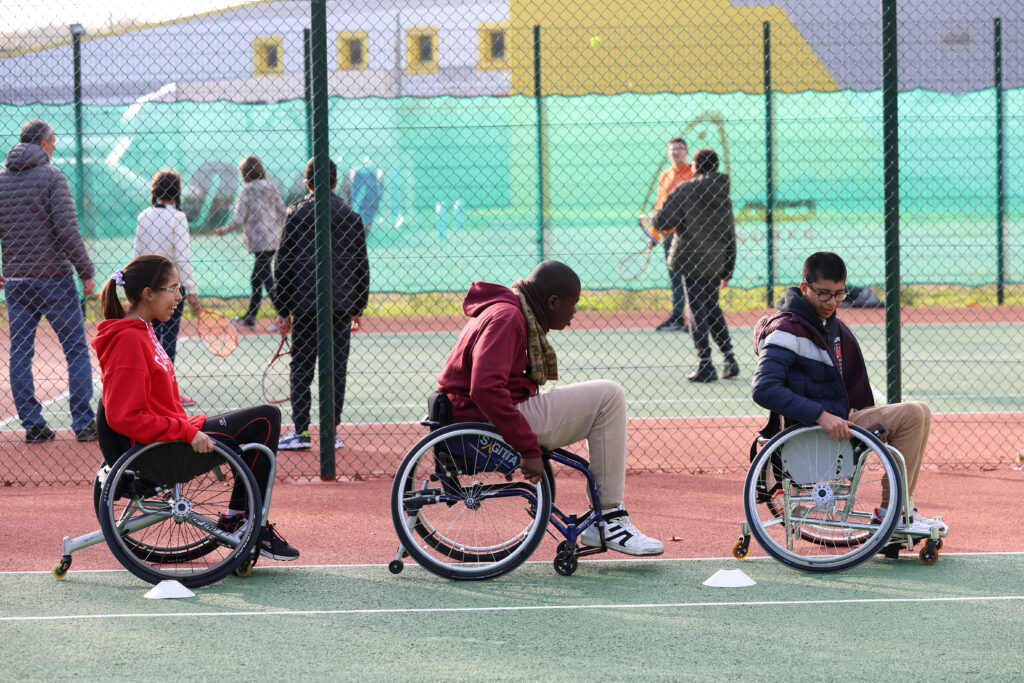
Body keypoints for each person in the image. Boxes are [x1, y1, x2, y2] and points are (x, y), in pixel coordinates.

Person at [437, 260, 664, 556]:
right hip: (483, 421)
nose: (574, 313)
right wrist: (528, 448)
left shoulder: (507, 311)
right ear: (553, 302)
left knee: (602, 396)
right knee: (609, 396)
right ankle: (609, 517)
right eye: (574, 305)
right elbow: (485, 388)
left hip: (476, 414)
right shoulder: (508, 318)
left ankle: (608, 516)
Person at [92, 254, 299, 560]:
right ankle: (245, 521)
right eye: (173, 289)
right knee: (266, 420)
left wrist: (185, 426)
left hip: (170, 439)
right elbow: (125, 416)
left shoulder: (142, 331)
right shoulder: (130, 342)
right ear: (148, 294)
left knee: (263, 419)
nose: (180, 297)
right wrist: (187, 433)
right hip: (163, 452)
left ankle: (240, 518)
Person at [751, 252, 944, 533]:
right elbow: (764, 389)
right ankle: (893, 511)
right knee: (913, 413)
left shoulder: (827, 325)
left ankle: (900, 508)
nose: (832, 303)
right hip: (817, 432)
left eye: (840, 294)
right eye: (824, 294)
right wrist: (821, 416)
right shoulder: (786, 330)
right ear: (804, 288)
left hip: (841, 419)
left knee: (920, 412)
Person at [0, 119, 97, 443]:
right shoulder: (52, 177)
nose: (55, 145)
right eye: (53, 140)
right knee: (76, 350)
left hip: (16, 281)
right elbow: (67, 230)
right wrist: (86, 271)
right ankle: (84, 423)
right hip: (54, 278)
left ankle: (33, 424)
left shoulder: (2, 180)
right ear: (43, 142)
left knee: (20, 353)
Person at [274, 158, 369, 450]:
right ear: (335, 182)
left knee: (301, 367)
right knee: (335, 368)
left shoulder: (297, 213)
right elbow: (361, 265)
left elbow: (284, 263)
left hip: (304, 305)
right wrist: (358, 306)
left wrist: (282, 309)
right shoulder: (350, 215)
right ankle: (330, 432)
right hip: (340, 306)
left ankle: (301, 431)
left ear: (308, 183)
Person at [654, 147, 739, 382]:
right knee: (712, 306)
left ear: (695, 166)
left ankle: (705, 364)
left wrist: (654, 217)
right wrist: (728, 268)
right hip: (715, 260)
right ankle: (729, 358)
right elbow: (730, 233)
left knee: (695, 309)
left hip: (690, 257)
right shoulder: (723, 194)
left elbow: (664, 221)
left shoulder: (686, 189)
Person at [133, 169, 201, 407]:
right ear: (177, 192)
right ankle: (168, 395)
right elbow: (183, 258)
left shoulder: (144, 216)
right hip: (171, 290)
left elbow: (137, 256)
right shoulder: (178, 218)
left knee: (148, 340)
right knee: (167, 341)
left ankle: (149, 392)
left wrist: (134, 290)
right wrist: (191, 291)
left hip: (147, 290)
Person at [216, 155, 286, 328]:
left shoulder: (247, 190)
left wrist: (225, 229)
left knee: (266, 279)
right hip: (273, 238)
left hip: (258, 240)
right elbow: (283, 211)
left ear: (244, 173)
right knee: (257, 278)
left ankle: (283, 316)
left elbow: (239, 218)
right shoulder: (270, 186)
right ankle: (250, 317)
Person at [649, 137, 691, 332]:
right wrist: (654, 233)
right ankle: (677, 317)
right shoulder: (665, 175)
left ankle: (693, 319)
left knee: (692, 276)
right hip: (668, 235)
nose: (676, 152)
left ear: (686, 152)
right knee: (675, 276)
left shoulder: (693, 172)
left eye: (680, 149)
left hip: (688, 235)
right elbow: (659, 204)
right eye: (672, 149)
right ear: (668, 153)